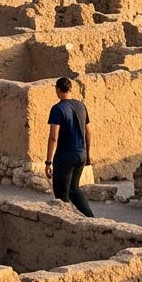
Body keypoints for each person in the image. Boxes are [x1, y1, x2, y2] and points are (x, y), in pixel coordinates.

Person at [42, 76, 95, 216]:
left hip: (65, 157)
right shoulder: (81, 106)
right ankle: (91, 219)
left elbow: (53, 137)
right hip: (81, 154)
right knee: (74, 189)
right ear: (71, 89)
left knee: (61, 195)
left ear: (58, 90)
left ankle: (65, 221)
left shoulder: (58, 109)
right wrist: (87, 155)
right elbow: (88, 132)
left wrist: (48, 162)